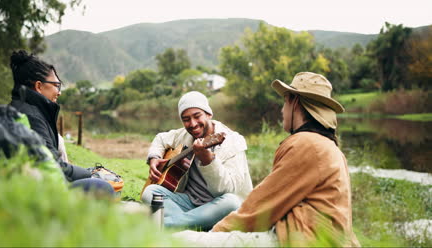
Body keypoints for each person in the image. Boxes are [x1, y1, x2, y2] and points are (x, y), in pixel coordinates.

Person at [206, 72, 360, 246]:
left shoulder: (306, 143)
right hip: (324, 239)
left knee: (186, 240)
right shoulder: (329, 146)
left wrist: (215, 233)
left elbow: (260, 206)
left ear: (295, 102)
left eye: (285, 101)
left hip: (304, 239)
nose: (282, 110)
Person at [141, 91, 253, 230]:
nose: (192, 124)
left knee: (232, 202)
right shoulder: (183, 135)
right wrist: (154, 158)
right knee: (151, 191)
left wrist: (208, 161)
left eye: (197, 116)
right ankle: (192, 225)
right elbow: (161, 138)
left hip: (219, 206)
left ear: (209, 114)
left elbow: (226, 190)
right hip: (189, 202)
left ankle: (167, 225)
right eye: (186, 119)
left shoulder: (233, 142)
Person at [8, 50, 113, 195]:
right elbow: (53, 165)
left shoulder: (25, 108)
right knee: (103, 187)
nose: (59, 92)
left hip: (35, 183)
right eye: (57, 85)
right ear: (39, 86)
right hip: (39, 190)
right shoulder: (31, 116)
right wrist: (90, 174)